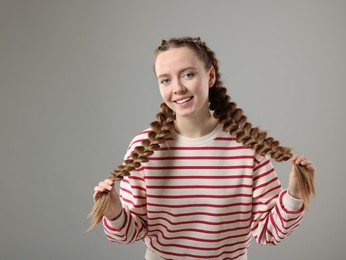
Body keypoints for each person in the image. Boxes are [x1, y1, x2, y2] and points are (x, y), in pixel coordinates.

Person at [91, 36, 315, 260]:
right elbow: (130, 233)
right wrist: (115, 213)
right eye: (165, 80)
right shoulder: (144, 149)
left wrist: (294, 195)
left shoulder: (248, 148)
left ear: (210, 76)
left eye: (188, 74)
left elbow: (269, 231)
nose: (177, 88)